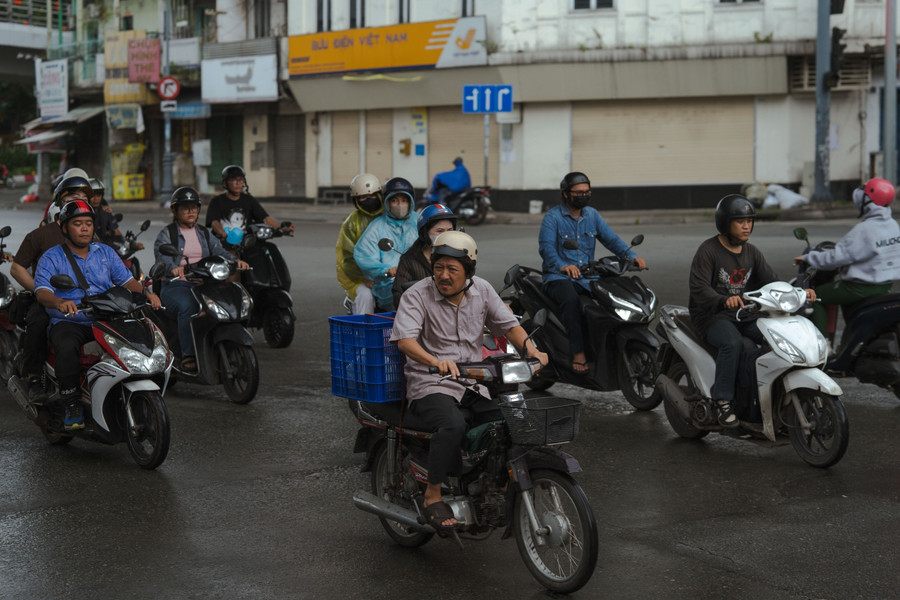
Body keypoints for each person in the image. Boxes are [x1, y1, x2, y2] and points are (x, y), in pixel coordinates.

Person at [390, 231, 548, 530]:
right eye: (439, 267)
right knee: (452, 425)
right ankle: (432, 495)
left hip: (474, 382)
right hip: (431, 382)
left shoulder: (483, 291)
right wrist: (435, 361)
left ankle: (496, 484)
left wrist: (533, 350)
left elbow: (509, 326)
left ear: (469, 271)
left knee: (514, 419)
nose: (443, 275)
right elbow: (405, 341)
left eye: (452, 269)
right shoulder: (417, 295)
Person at [33, 200, 162, 430]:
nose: (84, 228)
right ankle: (71, 402)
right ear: (64, 228)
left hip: (106, 317)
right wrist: (60, 302)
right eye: (78, 223)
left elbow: (126, 281)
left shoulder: (106, 252)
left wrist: (146, 293)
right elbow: (42, 292)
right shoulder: (52, 257)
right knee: (66, 345)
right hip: (72, 320)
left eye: (88, 223)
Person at [690, 194, 815, 428]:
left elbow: (772, 282)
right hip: (710, 316)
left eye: (749, 220)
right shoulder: (708, 251)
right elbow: (698, 289)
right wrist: (722, 300)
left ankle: (769, 392)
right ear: (725, 223)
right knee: (732, 343)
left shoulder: (752, 252)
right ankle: (723, 400)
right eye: (740, 221)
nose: (746, 225)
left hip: (744, 313)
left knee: (779, 336)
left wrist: (800, 291)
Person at [538, 172, 646, 373]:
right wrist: (563, 266)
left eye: (587, 192)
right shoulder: (553, 218)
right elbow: (546, 249)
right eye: (578, 192)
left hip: (588, 277)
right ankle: (577, 351)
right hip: (558, 277)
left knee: (610, 300)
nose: (584, 196)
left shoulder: (592, 215)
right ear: (565, 194)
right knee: (571, 302)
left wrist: (631, 256)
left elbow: (611, 239)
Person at [9, 175, 92, 400]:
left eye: (85, 198)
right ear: (61, 200)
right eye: (75, 196)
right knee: (38, 321)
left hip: (84, 299)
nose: (81, 201)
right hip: (49, 300)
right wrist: (41, 290)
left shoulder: (89, 231)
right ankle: (34, 376)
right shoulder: (40, 235)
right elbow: (17, 268)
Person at [154, 186, 248, 373]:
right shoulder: (167, 233)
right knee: (189, 307)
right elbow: (162, 255)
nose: (191, 212)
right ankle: (188, 355)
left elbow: (219, 251)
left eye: (194, 208)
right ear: (175, 210)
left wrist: (235, 261)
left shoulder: (204, 233)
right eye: (185, 208)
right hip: (176, 286)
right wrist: (174, 268)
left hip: (205, 283)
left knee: (232, 298)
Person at [794, 178, 900, 341]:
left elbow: (836, 258)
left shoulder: (864, 229)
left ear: (869, 199)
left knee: (815, 297)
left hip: (859, 287)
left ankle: (823, 348)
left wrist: (809, 257)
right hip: (884, 285)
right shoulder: (893, 225)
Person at [353, 177, 419, 312]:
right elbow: (364, 255)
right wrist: (386, 269)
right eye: (394, 200)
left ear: (411, 202)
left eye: (404, 200)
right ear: (387, 203)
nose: (400, 204)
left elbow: (432, 245)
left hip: (418, 279)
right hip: (387, 284)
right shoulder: (377, 226)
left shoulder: (419, 222)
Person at [205, 165, 295, 246]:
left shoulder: (249, 200)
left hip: (247, 242)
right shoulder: (217, 201)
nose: (238, 183)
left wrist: (280, 228)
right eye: (234, 180)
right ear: (225, 183)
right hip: (226, 243)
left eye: (241, 179)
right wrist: (223, 233)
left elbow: (265, 218)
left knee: (269, 248)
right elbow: (214, 222)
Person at [391, 203, 457, 308]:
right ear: (424, 233)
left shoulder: (460, 256)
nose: (446, 235)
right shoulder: (409, 260)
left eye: (450, 230)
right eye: (439, 231)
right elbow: (399, 297)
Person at [336, 173, 384, 314]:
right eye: (363, 197)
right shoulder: (352, 223)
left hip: (390, 274)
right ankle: (363, 331)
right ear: (356, 200)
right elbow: (347, 256)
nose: (368, 200)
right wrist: (363, 278)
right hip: (362, 279)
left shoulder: (389, 217)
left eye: (372, 195)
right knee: (366, 297)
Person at [88, 178, 123, 244]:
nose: (96, 199)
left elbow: (116, 231)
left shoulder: (105, 212)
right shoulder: (83, 213)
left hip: (105, 248)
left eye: (98, 195)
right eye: (93, 196)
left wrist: (127, 243)